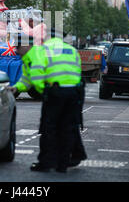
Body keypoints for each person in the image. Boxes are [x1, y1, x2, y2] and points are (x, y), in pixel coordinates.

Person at [10, 29, 83, 173]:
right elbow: (78, 71)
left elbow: (36, 76)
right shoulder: (72, 50)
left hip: (55, 93)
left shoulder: (42, 51)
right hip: (74, 92)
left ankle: (46, 163)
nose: (16, 51)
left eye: (18, 47)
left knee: (48, 129)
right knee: (67, 128)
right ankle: (63, 164)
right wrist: (16, 87)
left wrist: (45, 93)